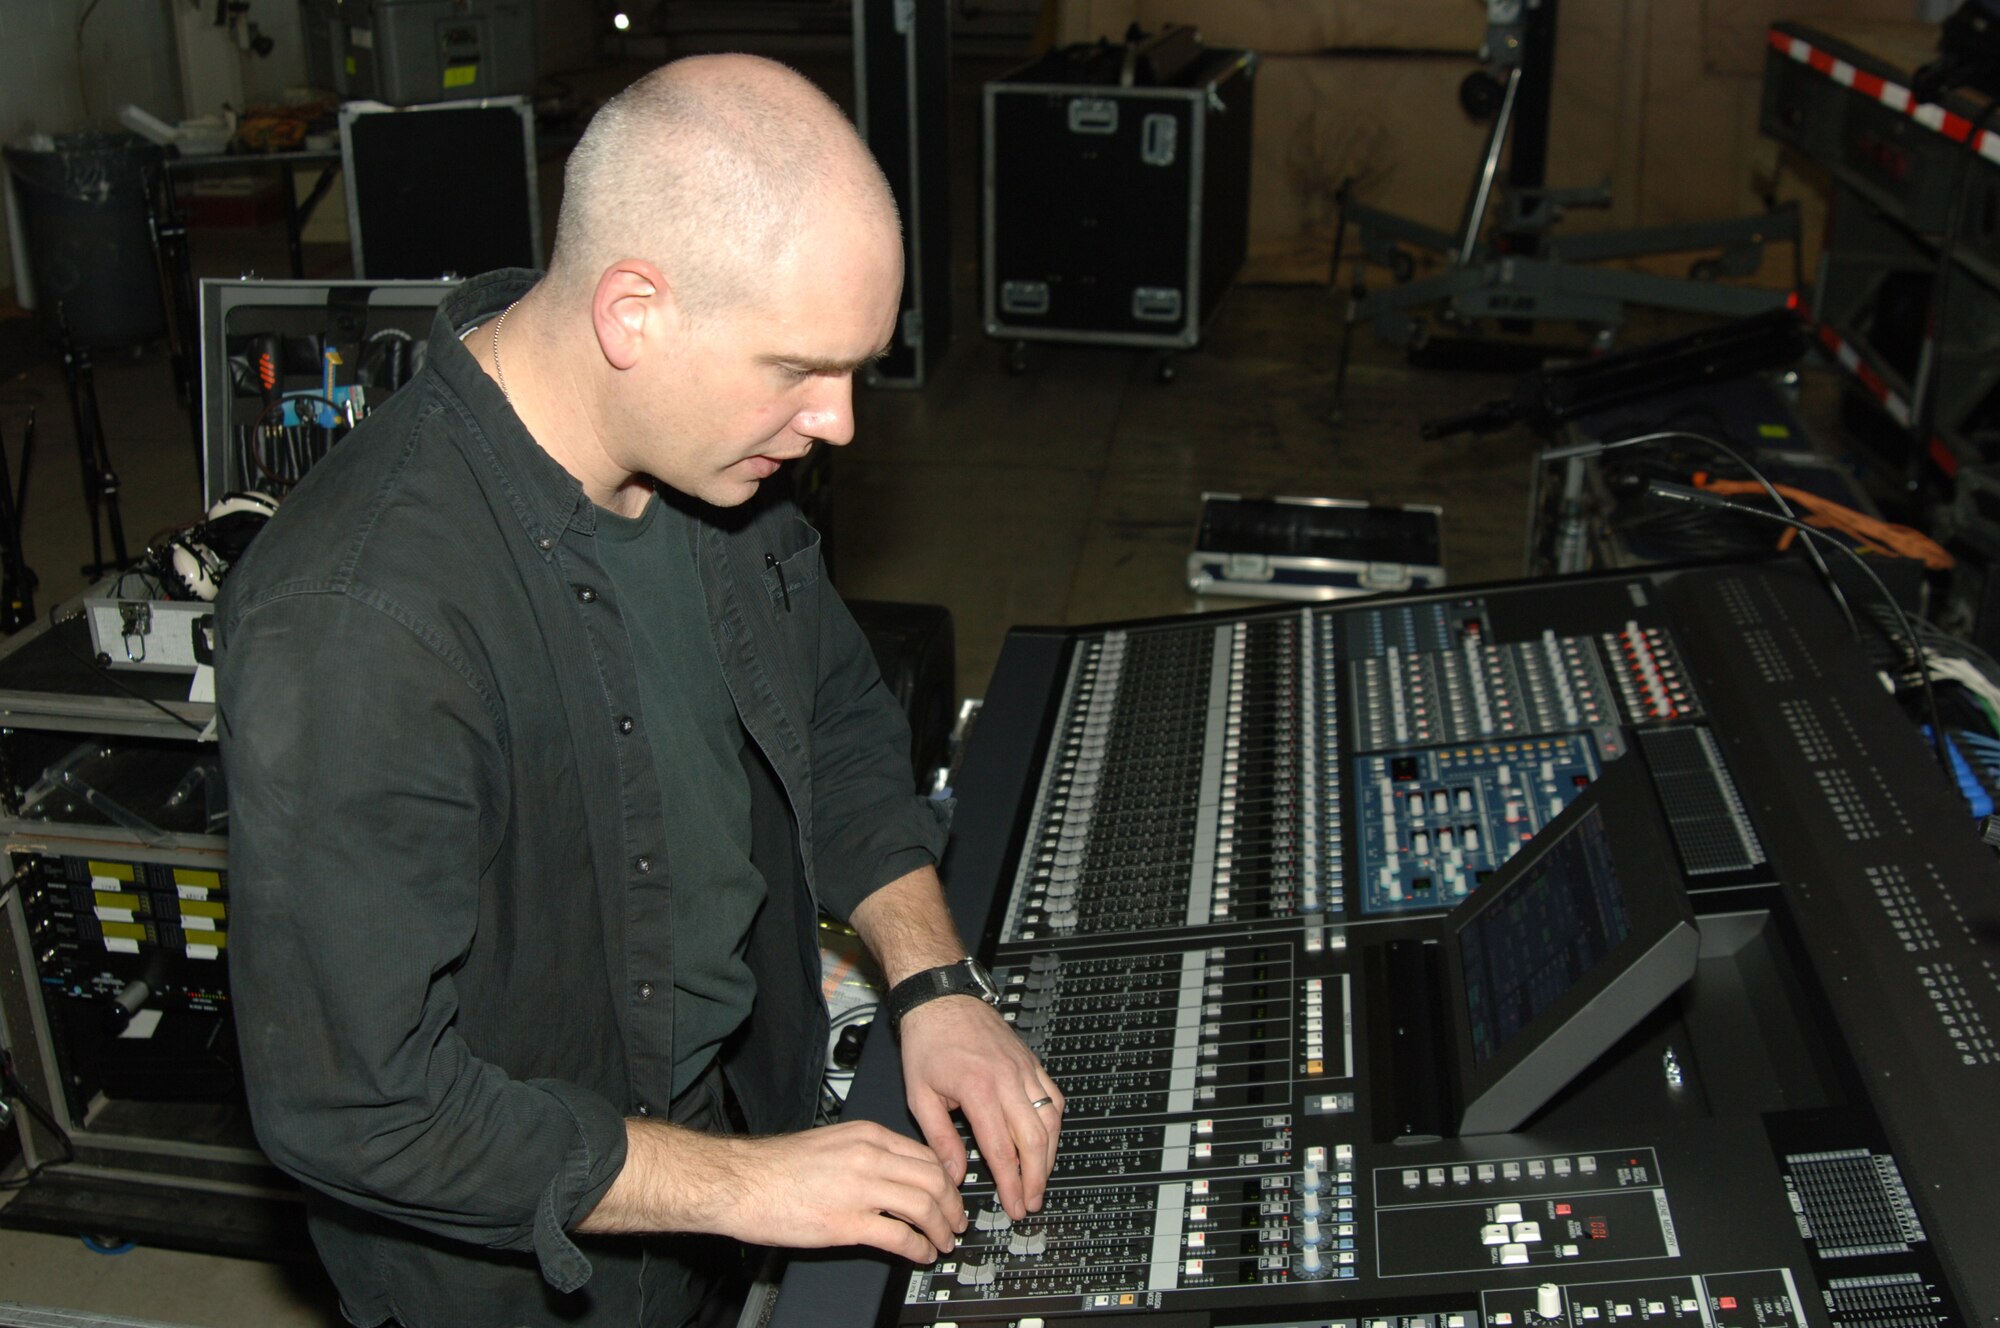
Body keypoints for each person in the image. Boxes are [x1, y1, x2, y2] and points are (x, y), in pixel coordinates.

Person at [215, 54, 1061, 1328]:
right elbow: (362, 1104)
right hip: (531, 1281)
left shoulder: (716, 466)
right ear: (632, 311)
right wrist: (739, 1185)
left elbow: (832, 719)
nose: (835, 423)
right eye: (798, 368)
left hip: (725, 1182)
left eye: (852, 371)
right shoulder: (362, 623)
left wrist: (930, 981)